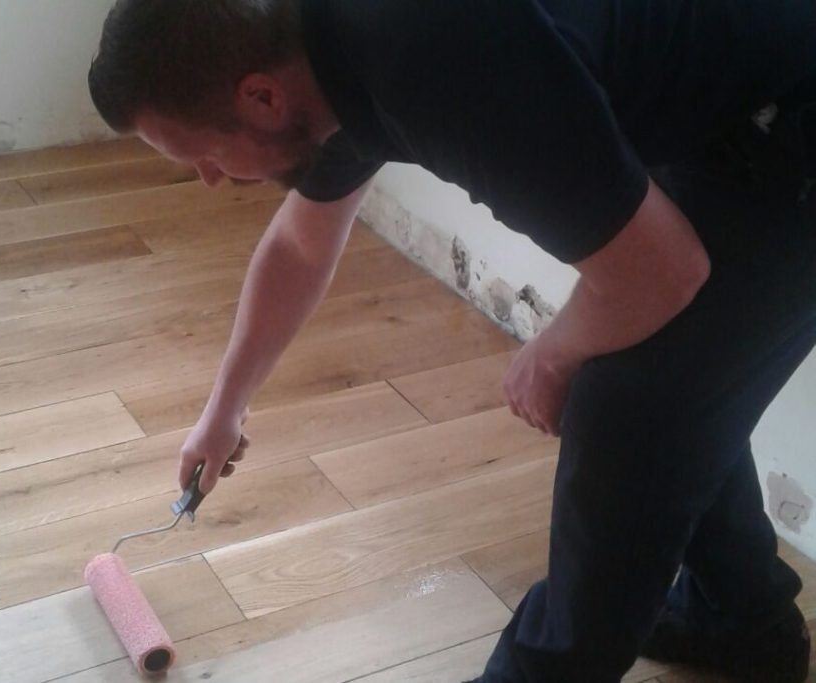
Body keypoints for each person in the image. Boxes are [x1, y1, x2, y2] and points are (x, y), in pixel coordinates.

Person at [88, 1, 816, 680]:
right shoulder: (316, 51)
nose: (209, 180)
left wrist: (552, 351)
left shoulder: (439, 63)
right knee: (673, 380)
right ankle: (742, 622)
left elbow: (662, 272)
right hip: (730, 96)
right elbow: (299, 248)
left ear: (261, 99)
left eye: (202, 157)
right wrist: (225, 409)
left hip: (792, 116)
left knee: (624, 410)